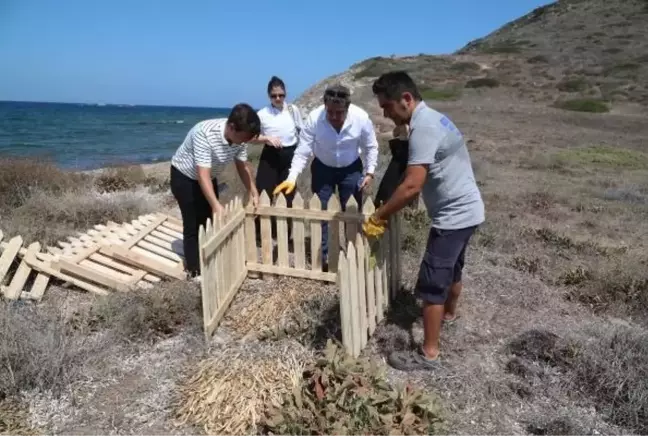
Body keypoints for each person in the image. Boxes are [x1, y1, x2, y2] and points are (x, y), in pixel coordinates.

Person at [362, 71, 485, 371]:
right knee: (454, 270)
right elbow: (427, 174)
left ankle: (428, 354)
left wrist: (380, 215)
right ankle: (449, 316)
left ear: (406, 99)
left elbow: (411, 184)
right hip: (470, 211)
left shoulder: (424, 128)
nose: (385, 113)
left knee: (432, 284)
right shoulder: (434, 118)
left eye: (387, 106)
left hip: (453, 217)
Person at [273, 84, 379, 268]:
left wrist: (369, 172)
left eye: (339, 113)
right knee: (321, 213)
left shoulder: (361, 118)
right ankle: (323, 259)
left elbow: (371, 146)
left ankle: (352, 256)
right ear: (324, 106)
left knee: (352, 213)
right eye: (330, 112)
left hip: (351, 168)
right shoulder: (314, 118)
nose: (334, 117)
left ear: (347, 108)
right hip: (322, 168)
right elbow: (303, 151)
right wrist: (291, 178)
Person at [170, 103, 261, 279]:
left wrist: (254, 191)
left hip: (208, 177)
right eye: (243, 138)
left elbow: (242, 166)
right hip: (184, 178)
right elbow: (202, 174)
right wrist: (216, 205)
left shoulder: (241, 137)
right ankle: (195, 273)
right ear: (232, 128)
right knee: (193, 224)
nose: (244, 143)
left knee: (209, 222)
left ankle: (208, 260)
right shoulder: (204, 133)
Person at [247, 76, 303, 242]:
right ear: (268, 96)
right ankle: (259, 233)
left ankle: (286, 234)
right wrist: (266, 138)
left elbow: (302, 131)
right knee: (264, 192)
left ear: (285, 94)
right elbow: (251, 137)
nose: (278, 98)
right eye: (274, 96)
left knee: (289, 195)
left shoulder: (293, 110)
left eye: (281, 95)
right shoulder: (262, 114)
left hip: (290, 155)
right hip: (270, 155)